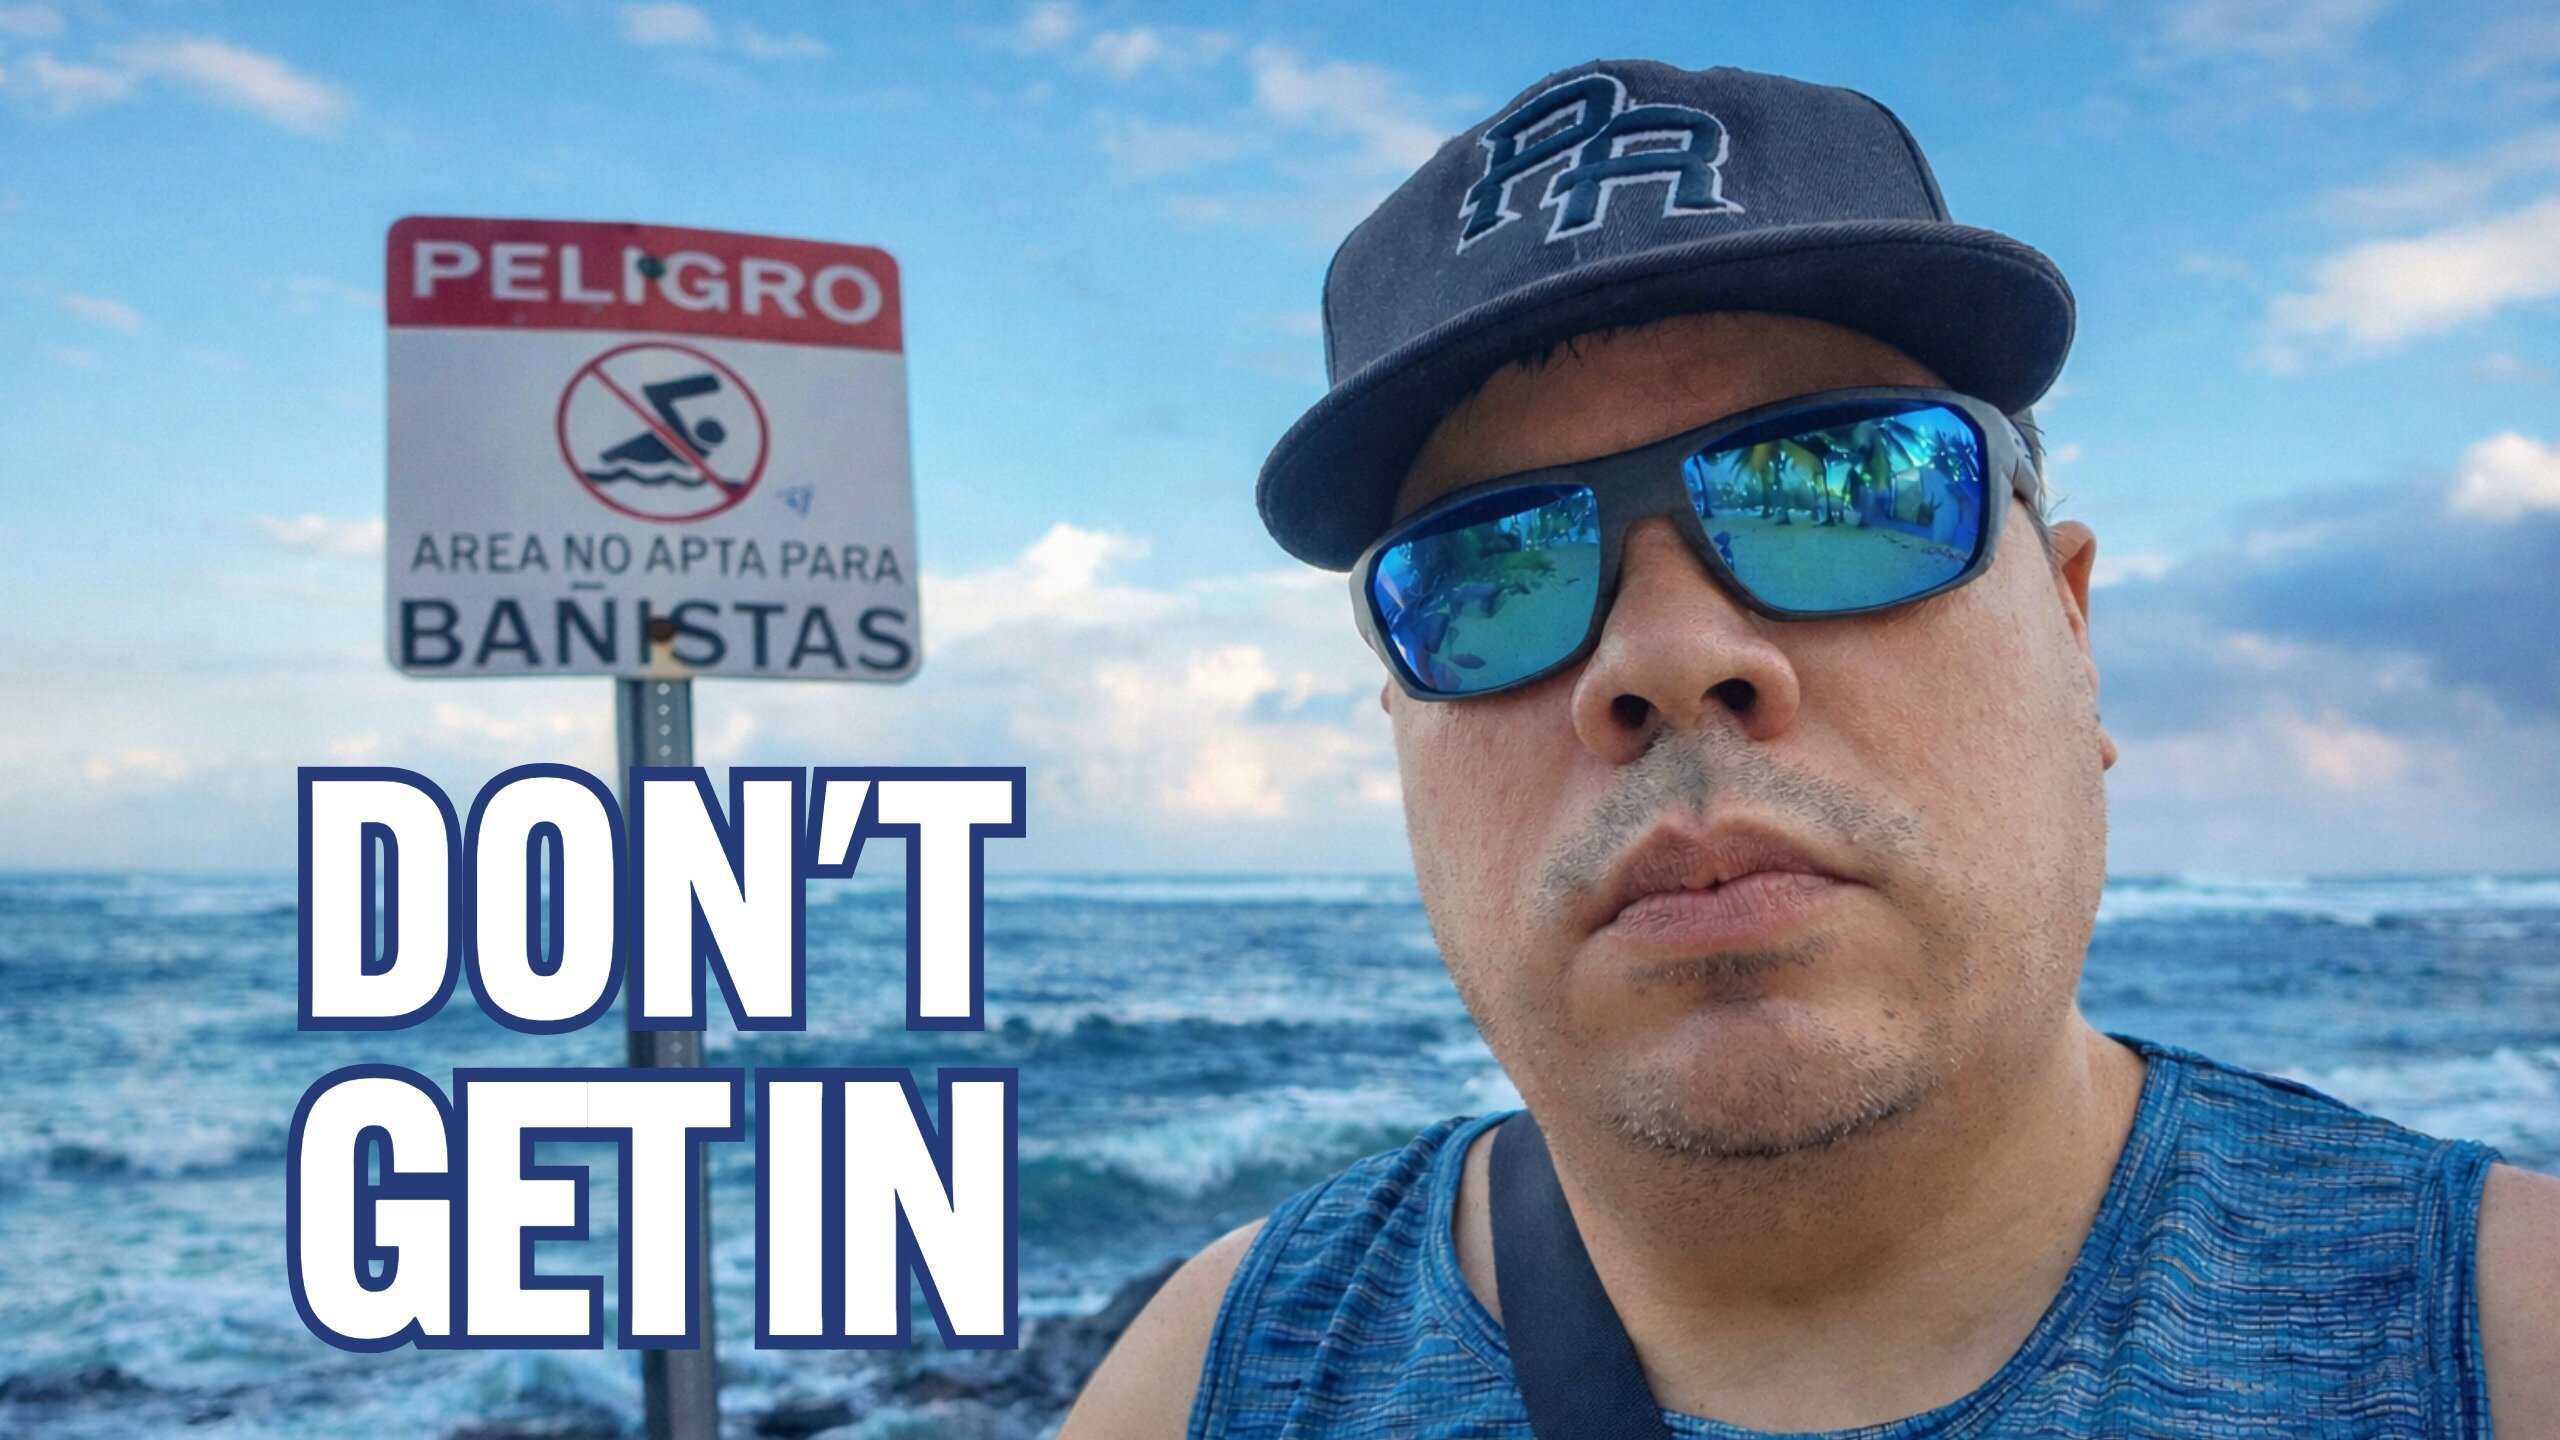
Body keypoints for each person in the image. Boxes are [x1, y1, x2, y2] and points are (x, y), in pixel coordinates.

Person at [1059, 60, 2560, 1439]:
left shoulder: (2505, 1337)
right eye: (1487, 572)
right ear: (1404, 729)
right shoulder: (1213, 1378)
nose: (1664, 655)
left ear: (2073, 628)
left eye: (1840, 490)